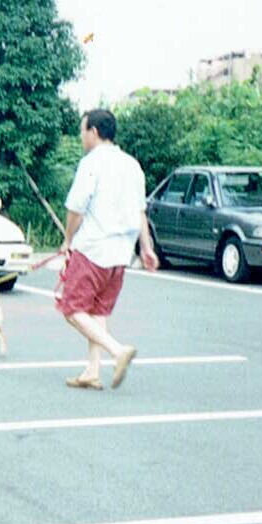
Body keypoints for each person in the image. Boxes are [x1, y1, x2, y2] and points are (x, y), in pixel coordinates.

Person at [55, 108, 159, 389]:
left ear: (94, 132)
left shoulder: (92, 162)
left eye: (82, 131)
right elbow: (140, 211)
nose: (81, 137)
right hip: (120, 254)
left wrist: (67, 240)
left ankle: (117, 351)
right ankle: (92, 370)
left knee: (71, 308)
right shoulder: (132, 165)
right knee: (98, 311)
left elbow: (76, 208)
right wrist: (146, 248)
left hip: (93, 249)